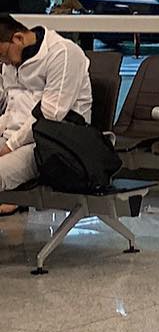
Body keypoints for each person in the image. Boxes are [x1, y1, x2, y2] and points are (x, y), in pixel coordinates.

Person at [0, 14, 93, 199]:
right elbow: (11, 109)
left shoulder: (62, 53)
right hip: (13, 137)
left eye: (2, 55)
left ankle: (17, 199)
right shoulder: (11, 61)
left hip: (51, 144)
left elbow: (49, 116)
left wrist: (9, 147)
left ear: (18, 38)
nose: (4, 62)